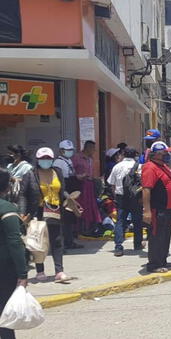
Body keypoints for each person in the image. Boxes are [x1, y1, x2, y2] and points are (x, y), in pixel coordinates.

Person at [19, 147, 72, 283]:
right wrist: (23, 212)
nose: (46, 161)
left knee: (57, 240)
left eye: (48, 158)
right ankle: (40, 271)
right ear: (38, 160)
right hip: (38, 212)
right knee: (38, 242)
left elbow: (62, 190)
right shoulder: (31, 174)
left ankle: (59, 271)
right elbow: (23, 195)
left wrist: (70, 201)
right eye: (43, 159)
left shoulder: (57, 172)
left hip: (55, 210)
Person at [141, 141, 171, 273]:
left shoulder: (162, 166)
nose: (167, 155)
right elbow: (146, 189)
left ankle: (162, 260)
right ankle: (154, 264)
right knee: (156, 236)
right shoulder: (150, 167)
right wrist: (146, 211)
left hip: (167, 208)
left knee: (165, 235)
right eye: (165, 153)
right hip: (157, 208)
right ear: (156, 154)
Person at [0, 168, 28, 339]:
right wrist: (22, 273)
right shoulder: (7, 209)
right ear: (7, 187)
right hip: (4, 270)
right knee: (4, 313)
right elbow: (14, 243)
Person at [107, 148, 143, 257]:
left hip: (121, 197)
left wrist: (115, 195)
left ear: (123, 154)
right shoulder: (139, 166)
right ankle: (137, 244)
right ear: (135, 155)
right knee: (137, 220)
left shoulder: (117, 166)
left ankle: (118, 247)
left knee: (120, 221)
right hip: (135, 197)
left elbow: (111, 183)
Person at [53, 140, 83, 250]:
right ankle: (64, 242)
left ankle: (70, 241)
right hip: (64, 194)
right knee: (65, 219)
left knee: (71, 218)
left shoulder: (68, 161)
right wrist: (66, 195)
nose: (70, 152)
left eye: (71, 150)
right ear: (61, 150)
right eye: (67, 150)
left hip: (71, 192)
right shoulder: (58, 163)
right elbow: (60, 181)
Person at [72, 140, 101, 232]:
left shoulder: (90, 159)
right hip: (80, 185)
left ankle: (88, 228)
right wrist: (79, 176)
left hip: (89, 185)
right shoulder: (77, 158)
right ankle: (78, 229)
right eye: (93, 148)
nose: (94, 151)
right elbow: (71, 171)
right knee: (81, 206)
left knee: (90, 207)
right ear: (88, 148)